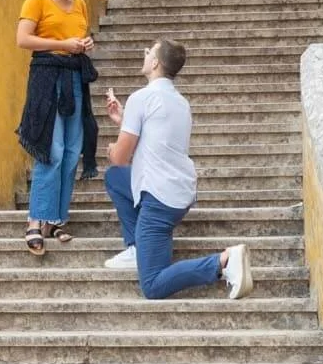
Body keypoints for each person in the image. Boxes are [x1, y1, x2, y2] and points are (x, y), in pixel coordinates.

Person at [103, 39, 253, 301]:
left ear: (155, 63)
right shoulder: (180, 102)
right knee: (115, 179)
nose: (145, 52)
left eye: (149, 50)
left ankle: (223, 261)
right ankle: (137, 246)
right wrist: (125, 120)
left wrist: (112, 147)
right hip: (179, 191)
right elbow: (156, 142)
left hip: (159, 200)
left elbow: (120, 157)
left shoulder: (142, 98)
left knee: (152, 285)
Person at [14, 0, 97, 256]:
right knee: (52, 149)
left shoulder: (81, 5)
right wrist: (63, 45)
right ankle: (35, 220)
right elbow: (23, 39)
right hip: (47, 78)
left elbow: (78, 36)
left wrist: (85, 44)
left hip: (73, 78)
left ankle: (55, 218)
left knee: (72, 150)